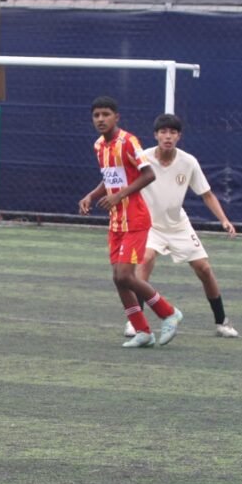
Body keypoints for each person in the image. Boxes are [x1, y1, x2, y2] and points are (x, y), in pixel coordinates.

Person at [120, 113, 239, 339]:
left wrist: (224, 220)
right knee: (145, 260)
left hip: (178, 226)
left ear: (179, 136)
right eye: (163, 132)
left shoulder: (188, 161)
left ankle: (222, 322)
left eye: (172, 132)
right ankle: (135, 323)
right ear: (155, 135)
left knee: (204, 269)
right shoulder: (142, 158)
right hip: (149, 225)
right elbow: (125, 185)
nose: (168, 136)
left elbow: (207, 194)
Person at [79, 96, 182, 348]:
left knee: (125, 274)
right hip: (116, 222)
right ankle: (143, 331)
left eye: (106, 114)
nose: (101, 119)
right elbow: (110, 178)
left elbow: (149, 174)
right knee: (118, 277)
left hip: (135, 218)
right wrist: (92, 195)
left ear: (117, 117)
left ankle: (169, 313)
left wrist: (120, 194)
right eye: (96, 115)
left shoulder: (128, 141)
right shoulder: (99, 146)